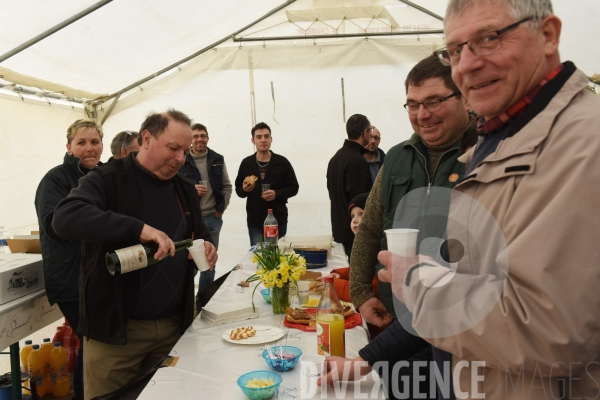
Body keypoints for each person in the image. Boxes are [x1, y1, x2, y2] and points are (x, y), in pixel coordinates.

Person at [335, 0, 600, 398]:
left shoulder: (580, 145)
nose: (468, 64)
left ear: (548, 35)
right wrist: (368, 326)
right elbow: (461, 280)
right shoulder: (492, 149)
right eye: (455, 50)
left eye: (489, 39)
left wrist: (416, 282)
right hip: (431, 347)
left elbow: (552, 331)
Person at [52, 109, 217, 400]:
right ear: (147, 138)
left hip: (172, 329)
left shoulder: (184, 189)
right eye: (173, 148)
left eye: (185, 150)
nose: (181, 158)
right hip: (117, 335)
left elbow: (199, 234)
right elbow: (65, 218)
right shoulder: (108, 178)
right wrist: (137, 229)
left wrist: (205, 246)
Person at [344, 54, 475, 399]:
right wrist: (360, 292)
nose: (422, 114)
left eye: (434, 101)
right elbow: (371, 228)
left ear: (464, 96)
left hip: (460, 333)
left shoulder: (484, 155)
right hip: (396, 323)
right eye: (413, 104)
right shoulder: (399, 156)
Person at [34, 118, 104, 400]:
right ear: (69, 146)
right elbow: (55, 225)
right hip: (71, 278)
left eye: (95, 142)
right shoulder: (55, 180)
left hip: (99, 274)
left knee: (96, 343)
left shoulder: (104, 176)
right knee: (92, 341)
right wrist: (102, 222)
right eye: (82, 142)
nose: (89, 148)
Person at [179, 123, 232, 292]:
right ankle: (185, 300)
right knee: (191, 262)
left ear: (208, 138)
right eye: (196, 136)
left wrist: (221, 207)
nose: (200, 139)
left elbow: (227, 186)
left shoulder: (217, 159)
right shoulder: (182, 159)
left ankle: (203, 301)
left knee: (209, 262)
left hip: (212, 218)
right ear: (190, 140)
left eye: (203, 136)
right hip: (191, 220)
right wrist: (191, 190)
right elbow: (175, 188)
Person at [234, 122, 299, 246]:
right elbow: (238, 191)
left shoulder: (282, 162)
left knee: (277, 257)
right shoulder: (246, 163)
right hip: (255, 220)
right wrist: (245, 189)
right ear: (253, 140)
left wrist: (277, 193)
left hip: (278, 219)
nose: (263, 140)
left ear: (271, 139)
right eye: (259, 137)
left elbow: (294, 187)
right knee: (258, 256)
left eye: (266, 136)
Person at [315, 193, 379, 303]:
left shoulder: (379, 249)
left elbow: (372, 291)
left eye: (361, 214)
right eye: (352, 216)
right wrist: (341, 275)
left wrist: (334, 286)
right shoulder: (363, 245)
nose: (354, 220)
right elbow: (361, 271)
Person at [327, 114, 373, 260]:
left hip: (340, 229)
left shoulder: (335, 158)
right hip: (354, 233)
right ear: (364, 132)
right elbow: (359, 200)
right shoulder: (357, 161)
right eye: (370, 130)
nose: (371, 134)